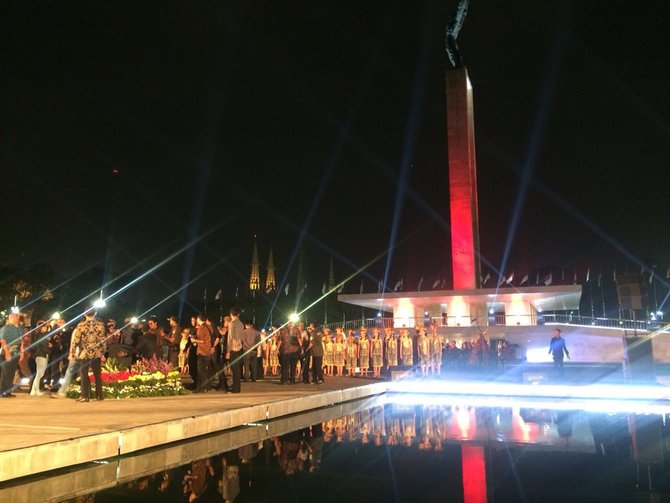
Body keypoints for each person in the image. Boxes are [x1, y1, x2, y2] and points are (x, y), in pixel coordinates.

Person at [69, 310, 106, 402]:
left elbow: (75, 341)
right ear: (95, 314)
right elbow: (103, 341)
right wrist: (102, 353)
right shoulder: (100, 325)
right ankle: (99, 395)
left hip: (84, 353)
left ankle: (85, 396)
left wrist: (72, 354)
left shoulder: (81, 326)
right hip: (96, 352)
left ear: (84, 314)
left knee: (84, 375)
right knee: (97, 374)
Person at [0, 313, 23, 397]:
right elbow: (2, 341)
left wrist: (22, 351)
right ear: (9, 319)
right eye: (12, 318)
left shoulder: (20, 328)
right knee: (5, 373)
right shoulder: (5, 328)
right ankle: (2, 392)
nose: (14, 319)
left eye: (16, 317)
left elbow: (21, 340)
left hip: (16, 352)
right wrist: (7, 353)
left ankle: (8, 391)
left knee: (12, 373)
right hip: (6, 352)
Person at [191, 313, 213, 392]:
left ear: (199, 319)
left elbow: (202, 340)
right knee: (206, 370)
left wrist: (194, 340)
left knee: (201, 371)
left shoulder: (201, 328)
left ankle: (202, 388)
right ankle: (207, 386)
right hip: (208, 351)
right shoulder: (209, 327)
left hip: (202, 351)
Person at [226, 307, 244, 393]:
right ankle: (236, 386)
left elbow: (230, 338)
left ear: (231, 314)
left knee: (234, 369)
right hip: (240, 347)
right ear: (238, 314)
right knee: (237, 369)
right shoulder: (241, 323)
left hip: (233, 348)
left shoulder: (232, 323)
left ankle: (236, 389)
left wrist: (228, 351)